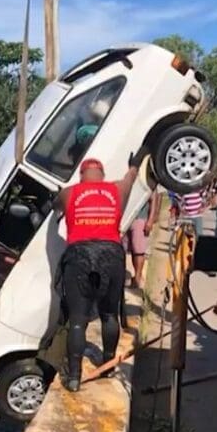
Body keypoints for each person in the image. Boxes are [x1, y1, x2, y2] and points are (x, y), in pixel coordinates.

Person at [55, 149, 147, 392]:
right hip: (111, 253)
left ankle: (74, 377)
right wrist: (133, 164)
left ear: (82, 176)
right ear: (102, 175)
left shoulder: (69, 193)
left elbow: (54, 208)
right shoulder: (117, 189)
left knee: (77, 320)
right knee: (109, 315)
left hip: (79, 254)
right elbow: (133, 175)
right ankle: (107, 365)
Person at [123, 190, 160, 289]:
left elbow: (154, 198)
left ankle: (138, 278)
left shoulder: (145, 177)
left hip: (140, 218)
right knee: (125, 248)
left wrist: (150, 220)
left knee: (138, 250)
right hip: (125, 218)